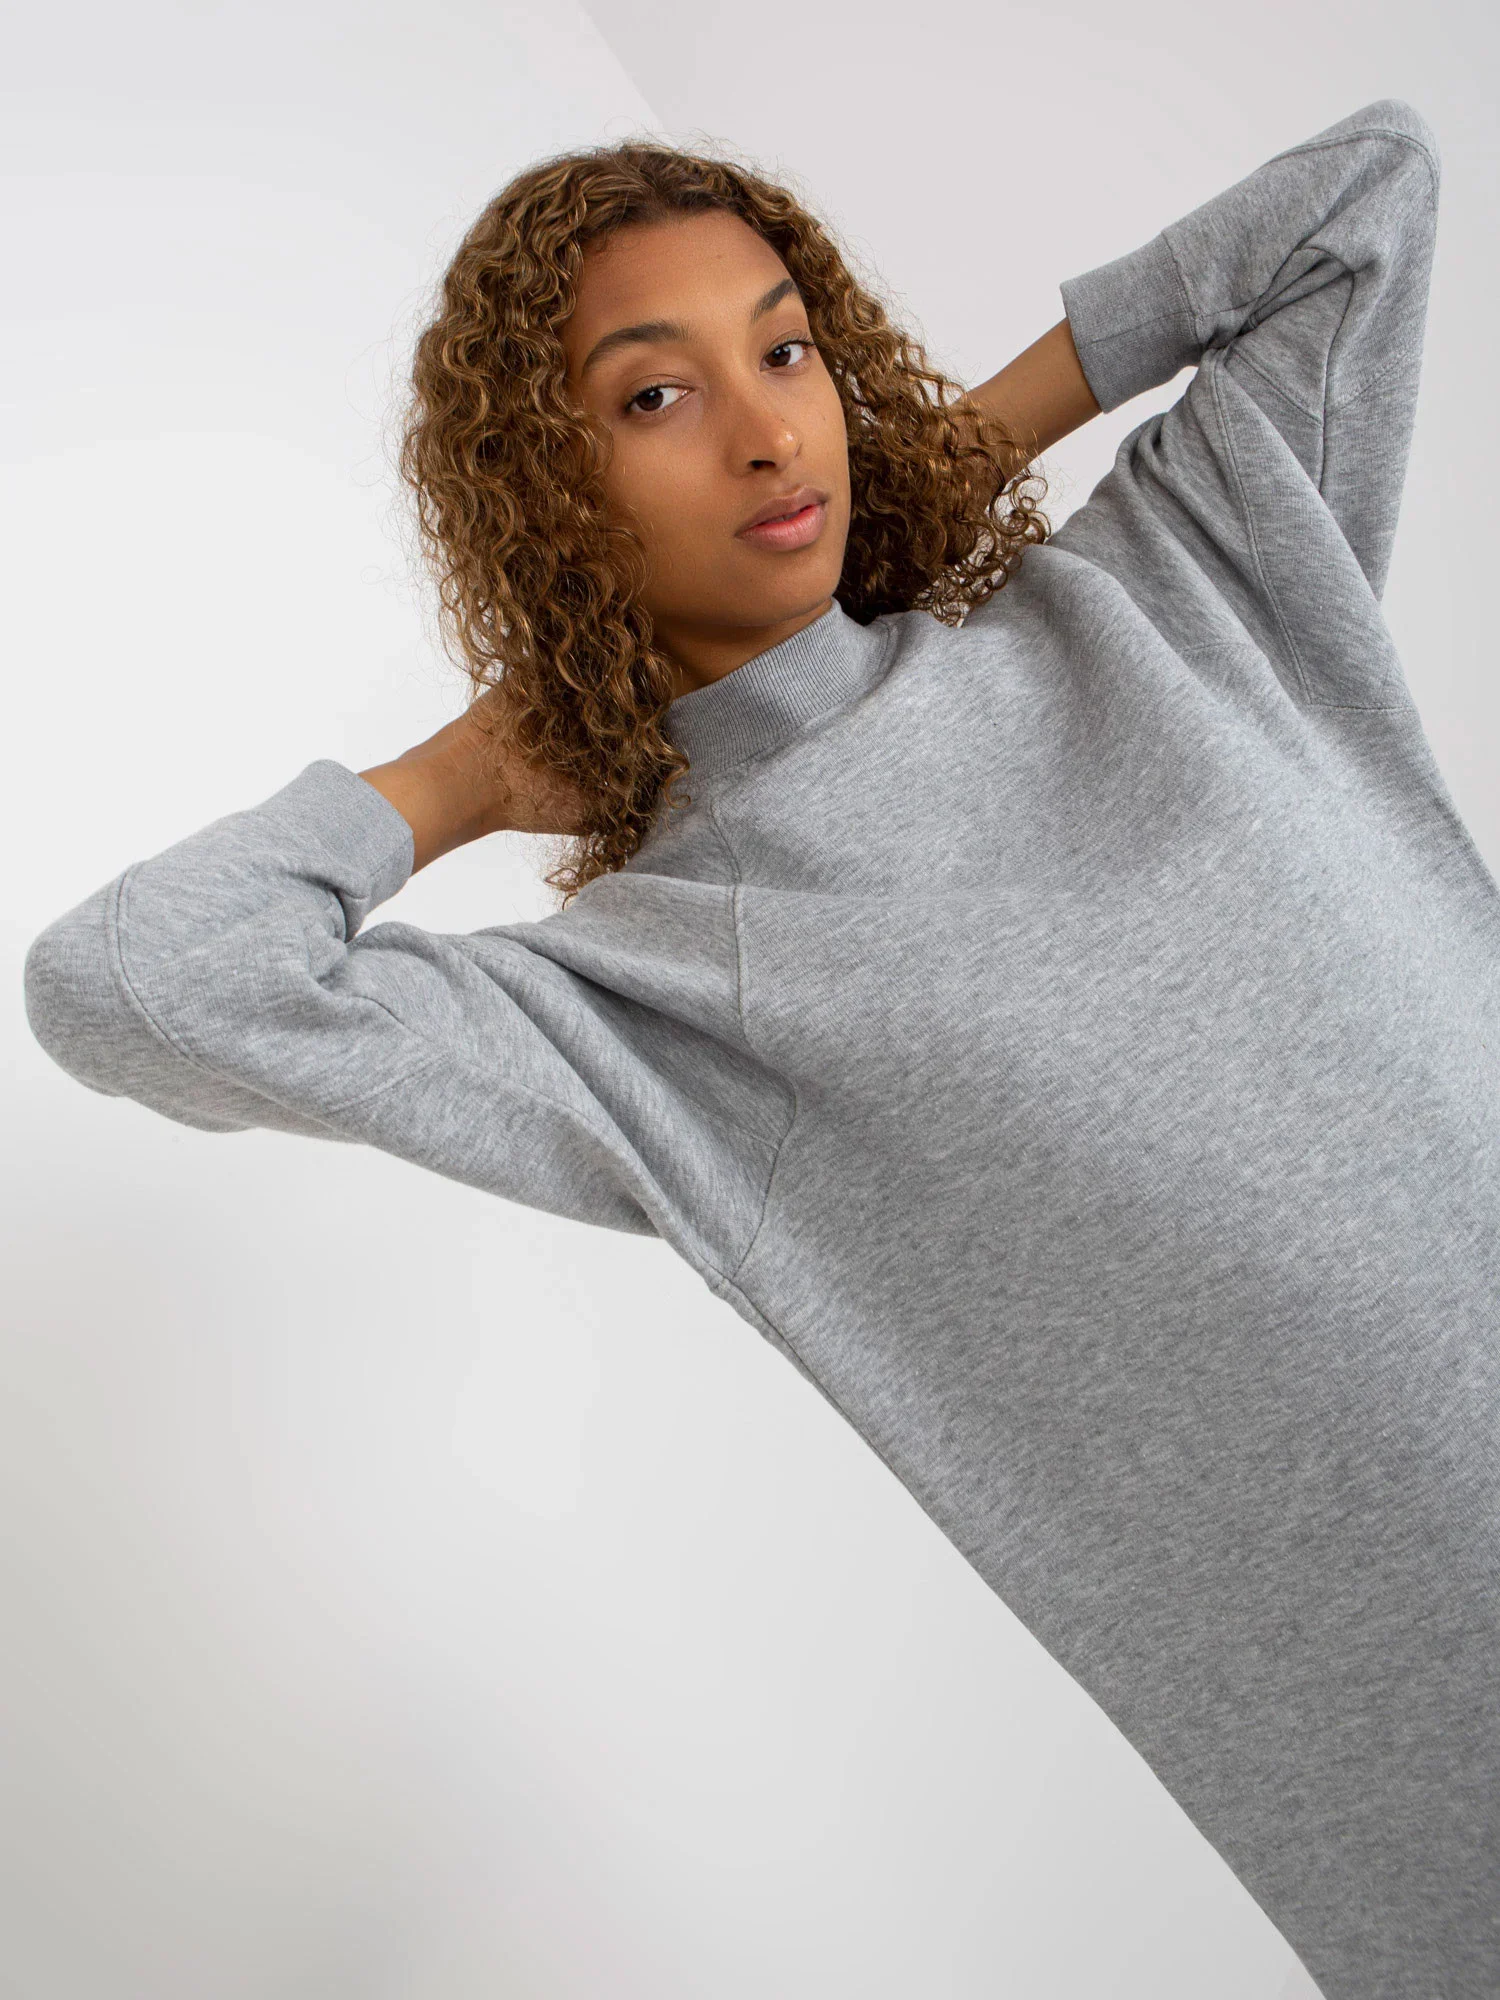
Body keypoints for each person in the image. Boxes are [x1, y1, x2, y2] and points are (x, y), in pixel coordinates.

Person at [23, 95, 1497, 2000]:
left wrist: (943, 460)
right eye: (655, 396)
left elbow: (1364, 198)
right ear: (548, 496)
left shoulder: (1180, 588)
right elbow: (134, 985)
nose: (763, 429)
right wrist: (466, 771)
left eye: (787, 351)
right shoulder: (661, 998)